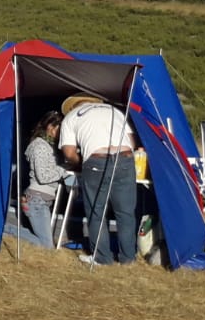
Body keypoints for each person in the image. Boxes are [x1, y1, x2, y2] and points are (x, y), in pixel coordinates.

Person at [59, 95, 137, 266]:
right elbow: (131, 141)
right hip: (125, 158)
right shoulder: (114, 111)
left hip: (97, 160)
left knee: (97, 212)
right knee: (125, 213)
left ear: (73, 107)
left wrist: (81, 163)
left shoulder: (71, 118)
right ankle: (128, 259)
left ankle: (102, 258)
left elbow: (69, 153)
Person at [18, 110, 71, 249]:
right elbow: (43, 176)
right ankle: (7, 231)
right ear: (50, 127)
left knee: (45, 241)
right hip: (37, 199)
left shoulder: (49, 146)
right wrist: (63, 169)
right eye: (60, 130)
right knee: (47, 246)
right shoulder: (39, 146)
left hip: (42, 200)